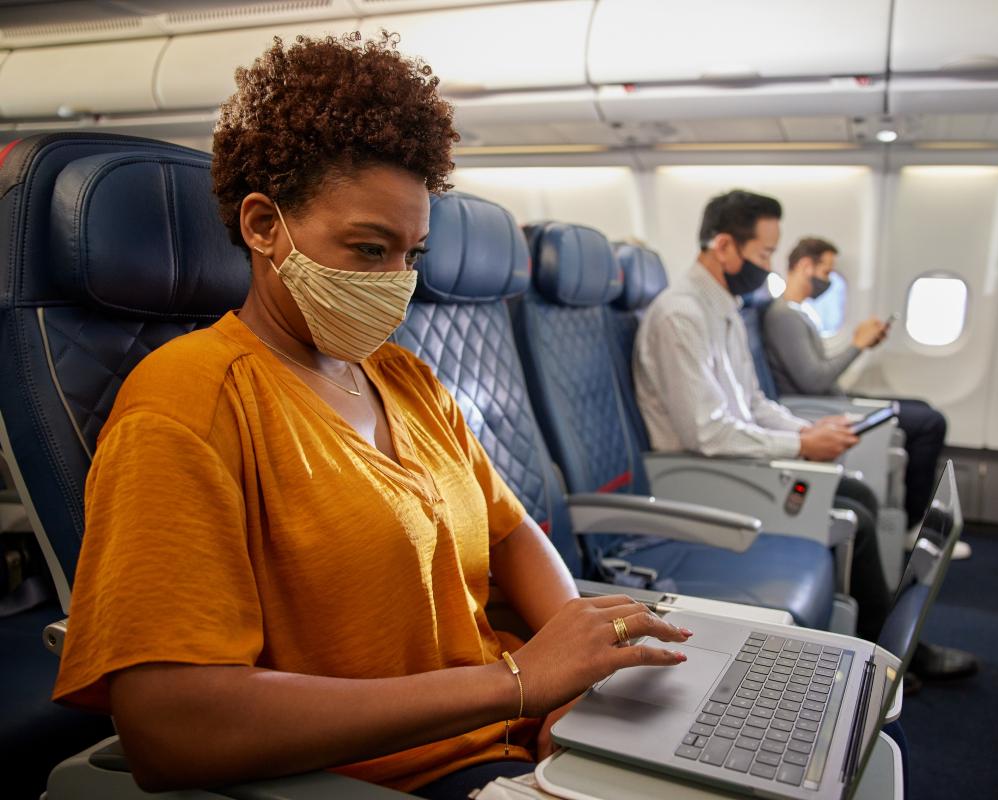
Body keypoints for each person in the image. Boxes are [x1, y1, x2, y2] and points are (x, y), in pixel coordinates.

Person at [51, 34, 691, 798]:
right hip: (410, 778)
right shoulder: (188, 403)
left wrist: (579, 671)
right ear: (263, 226)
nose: (396, 284)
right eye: (367, 249)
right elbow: (171, 725)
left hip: (527, 739)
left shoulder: (402, 376)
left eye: (411, 256)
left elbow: (511, 530)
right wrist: (519, 681)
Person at [633, 190, 977, 685]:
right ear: (725, 246)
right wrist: (800, 448)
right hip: (696, 475)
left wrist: (807, 430)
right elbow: (706, 432)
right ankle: (893, 661)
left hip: (729, 459)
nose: (770, 265)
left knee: (856, 494)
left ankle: (888, 652)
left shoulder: (722, 307)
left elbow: (751, 404)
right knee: (853, 512)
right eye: (765, 253)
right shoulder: (681, 314)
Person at [763, 237, 963, 558]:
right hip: (816, 407)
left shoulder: (801, 312)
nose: (827, 281)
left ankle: (912, 519)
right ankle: (912, 525)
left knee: (923, 410)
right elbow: (814, 380)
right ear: (805, 266)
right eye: (826, 271)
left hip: (832, 400)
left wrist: (863, 344)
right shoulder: (784, 315)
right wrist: (857, 344)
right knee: (930, 423)